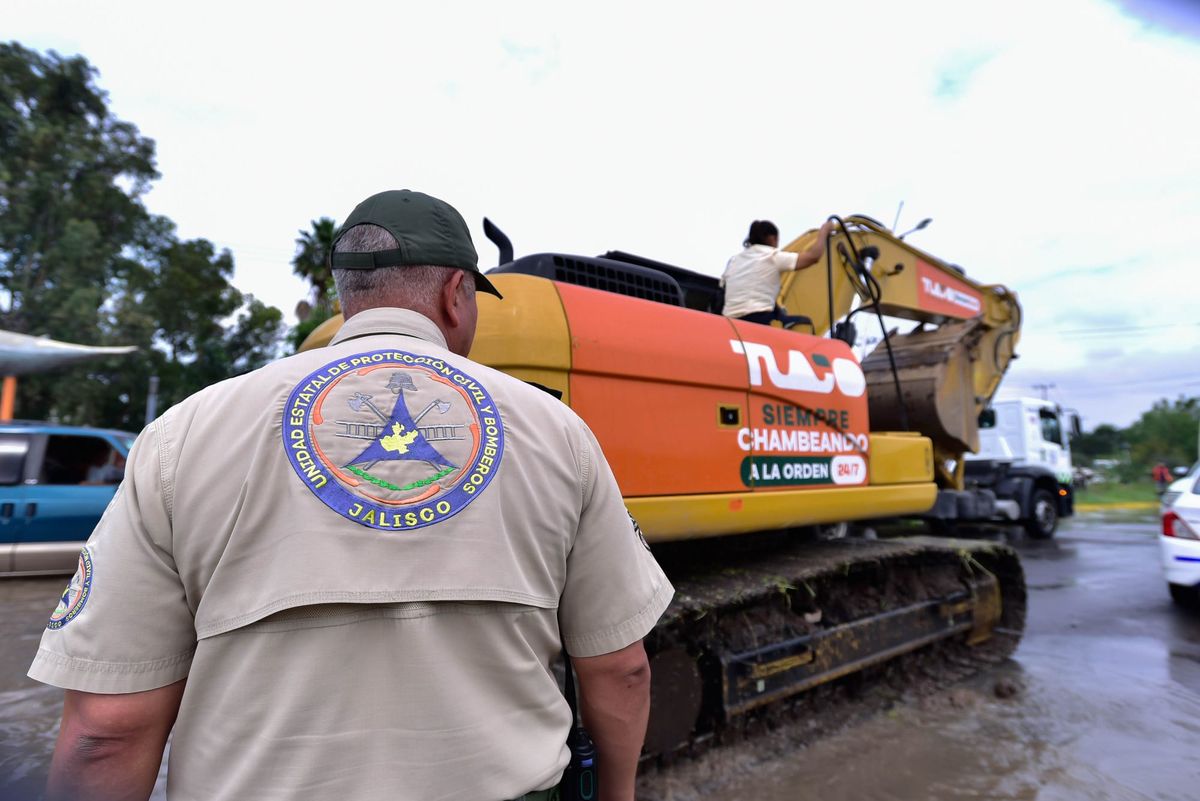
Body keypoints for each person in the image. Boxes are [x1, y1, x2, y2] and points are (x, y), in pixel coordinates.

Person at [29, 189, 674, 801]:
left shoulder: (182, 435)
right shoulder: (557, 432)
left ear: (348, 295)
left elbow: (105, 729)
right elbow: (622, 670)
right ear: (456, 294)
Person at [721, 218, 834, 327]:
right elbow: (813, 256)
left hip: (728, 322)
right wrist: (824, 231)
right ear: (772, 238)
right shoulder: (772, 256)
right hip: (757, 319)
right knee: (802, 324)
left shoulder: (733, 261)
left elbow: (725, 288)